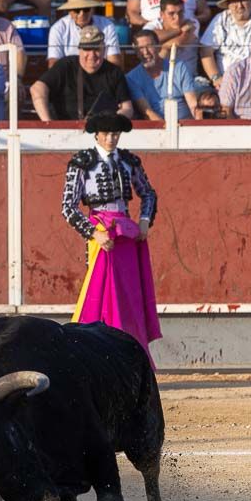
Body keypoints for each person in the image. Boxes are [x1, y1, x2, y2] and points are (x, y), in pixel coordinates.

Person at [63, 111, 160, 359]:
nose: (111, 138)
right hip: (101, 234)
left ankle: (131, 354)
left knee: (129, 296)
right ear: (96, 134)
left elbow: (148, 193)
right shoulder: (82, 162)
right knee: (100, 292)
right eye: (106, 133)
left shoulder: (129, 161)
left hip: (126, 235)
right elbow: (68, 207)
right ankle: (91, 353)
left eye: (115, 134)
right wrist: (93, 233)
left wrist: (145, 221)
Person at [31, 27, 133, 121]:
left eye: (96, 49)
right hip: (65, 132)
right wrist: (48, 124)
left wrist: (112, 121)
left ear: (104, 49)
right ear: (79, 50)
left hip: (103, 132)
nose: (92, 55)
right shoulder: (65, 65)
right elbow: (37, 89)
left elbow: (127, 108)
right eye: (87, 49)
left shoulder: (114, 72)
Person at [127, 29, 198, 120]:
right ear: (136, 51)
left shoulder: (179, 67)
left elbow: (193, 104)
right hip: (157, 128)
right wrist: (166, 129)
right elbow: (147, 112)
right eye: (140, 48)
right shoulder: (131, 78)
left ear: (158, 47)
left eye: (149, 46)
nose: (145, 52)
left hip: (185, 124)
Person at [47, 0, 122, 67]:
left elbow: (114, 62)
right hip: (70, 77)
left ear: (92, 9)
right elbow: (53, 64)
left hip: (100, 75)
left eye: (86, 9)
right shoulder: (58, 28)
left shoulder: (107, 25)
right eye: (77, 10)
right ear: (69, 11)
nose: (82, 14)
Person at [142, 0, 200, 72]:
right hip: (159, 76)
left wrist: (162, 45)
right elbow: (148, 39)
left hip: (189, 77)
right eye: (171, 13)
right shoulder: (151, 26)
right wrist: (179, 30)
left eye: (180, 12)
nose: (177, 17)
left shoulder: (192, 22)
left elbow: (178, 43)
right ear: (161, 14)